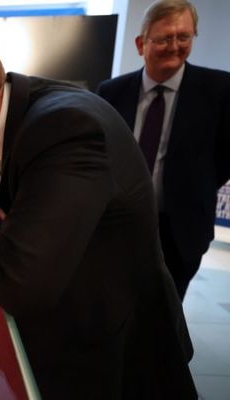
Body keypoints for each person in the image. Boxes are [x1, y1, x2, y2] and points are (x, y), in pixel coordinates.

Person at [0, 13, 196, 399]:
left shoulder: (64, 129)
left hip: (119, 365)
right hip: (71, 340)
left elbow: (17, 283)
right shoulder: (7, 118)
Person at [97, 0, 230, 300]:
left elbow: (224, 159)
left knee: (166, 309)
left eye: (183, 36)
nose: (174, 46)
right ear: (141, 43)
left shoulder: (219, 91)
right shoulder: (111, 92)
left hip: (181, 229)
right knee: (115, 300)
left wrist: (197, 187)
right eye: (163, 38)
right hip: (119, 224)